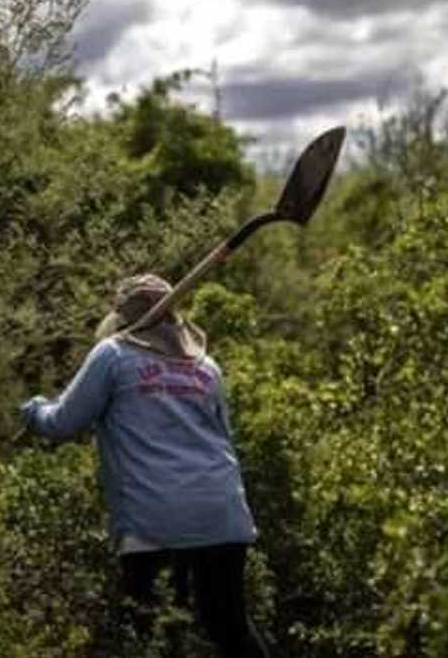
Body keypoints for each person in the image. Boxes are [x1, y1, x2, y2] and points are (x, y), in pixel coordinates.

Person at [20, 274, 272, 658]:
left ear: (122, 317)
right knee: (228, 625)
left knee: (149, 631)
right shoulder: (206, 367)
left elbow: (63, 423)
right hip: (221, 511)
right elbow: (224, 436)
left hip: (153, 518)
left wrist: (33, 411)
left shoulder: (113, 354)